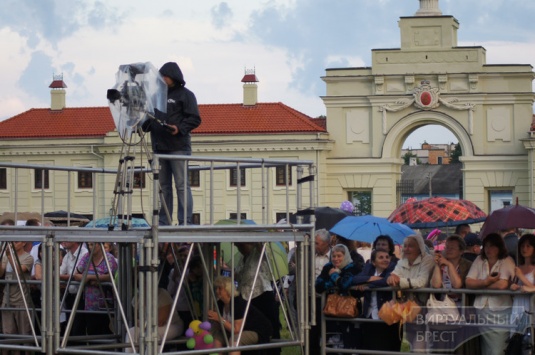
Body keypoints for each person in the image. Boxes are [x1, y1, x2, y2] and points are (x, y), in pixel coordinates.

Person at [141, 61, 201, 226]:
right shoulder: (155, 97)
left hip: (178, 148)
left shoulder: (186, 95)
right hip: (159, 148)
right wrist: (140, 123)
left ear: (173, 76)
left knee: (182, 186)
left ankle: (185, 221)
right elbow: (148, 121)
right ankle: (164, 220)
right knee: (164, 187)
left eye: (165, 76)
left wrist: (179, 128)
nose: (162, 79)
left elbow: (195, 118)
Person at [466, 232, 515, 355]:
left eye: (492, 246)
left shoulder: (507, 260)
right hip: (482, 311)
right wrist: (486, 282)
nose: (488, 249)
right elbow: (468, 282)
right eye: (486, 245)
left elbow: (502, 285)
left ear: (499, 247)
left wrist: (480, 284)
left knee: (497, 349)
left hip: (501, 312)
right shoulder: (479, 259)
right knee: (486, 349)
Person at [386, 234, 435, 352]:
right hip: (406, 308)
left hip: (422, 307)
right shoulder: (402, 261)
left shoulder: (427, 259)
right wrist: (391, 279)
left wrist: (399, 281)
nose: (406, 249)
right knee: (411, 344)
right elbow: (393, 277)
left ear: (420, 248)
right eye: (405, 246)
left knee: (420, 347)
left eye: (411, 246)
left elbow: (421, 282)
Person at [430, 235, 477, 353]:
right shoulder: (440, 263)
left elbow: (457, 285)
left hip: (462, 309)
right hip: (442, 309)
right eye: (447, 247)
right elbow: (436, 285)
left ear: (461, 251)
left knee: (459, 343)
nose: (448, 250)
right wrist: (437, 265)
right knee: (441, 343)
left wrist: (449, 265)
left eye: (452, 248)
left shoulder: (468, 265)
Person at [207, 276, 273, 354]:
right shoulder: (220, 304)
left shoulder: (237, 303)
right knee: (218, 337)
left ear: (228, 290)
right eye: (216, 288)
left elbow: (236, 330)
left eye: (220, 288)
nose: (217, 291)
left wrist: (219, 319)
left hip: (257, 331)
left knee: (235, 339)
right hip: (238, 331)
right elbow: (221, 326)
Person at [234, 242, 281, 348]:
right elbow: (239, 276)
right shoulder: (241, 259)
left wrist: (252, 240)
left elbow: (260, 245)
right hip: (246, 298)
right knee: (250, 328)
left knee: (268, 327)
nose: (240, 249)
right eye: (237, 246)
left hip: (262, 296)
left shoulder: (258, 252)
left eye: (241, 245)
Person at [315, 244, 361, 351]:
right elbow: (318, 286)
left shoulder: (353, 268)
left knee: (348, 343)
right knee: (330, 345)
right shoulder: (328, 267)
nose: (336, 259)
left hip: (348, 312)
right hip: (331, 311)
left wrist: (334, 276)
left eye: (339, 256)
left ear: (345, 256)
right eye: (334, 256)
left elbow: (345, 284)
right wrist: (334, 280)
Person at [352, 248, 399, 351]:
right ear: (373, 262)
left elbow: (385, 281)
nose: (385, 259)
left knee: (383, 347)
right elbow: (354, 279)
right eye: (381, 257)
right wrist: (369, 278)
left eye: (387, 257)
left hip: (385, 315)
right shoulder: (368, 269)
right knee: (368, 347)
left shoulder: (392, 268)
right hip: (369, 315)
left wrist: (367, 284)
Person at [74, 242, 118, 335]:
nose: (91, 247)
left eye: (93, 244)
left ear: (100, 245)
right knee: (92, 330)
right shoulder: (86, 257)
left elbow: (109, 275)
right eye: (89, 245)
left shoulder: (109, 258)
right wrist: (94, 278)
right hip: (89, 305)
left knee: (105, 331)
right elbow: (76, 274)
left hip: (106, 304)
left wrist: (89, 277)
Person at [0, 241, 34, 355]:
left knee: (24, 333)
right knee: (8, 333)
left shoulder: (28, 257)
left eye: (16, 242)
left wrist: (9, 256)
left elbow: (19, 270)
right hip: (7, 299)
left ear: (23, 243)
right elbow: (1, 273)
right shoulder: (6, 256)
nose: (13, 244)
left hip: (21, 299)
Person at [125, 287, 184, 353]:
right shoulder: (137, 297)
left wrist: (145, 323)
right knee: (132, 332)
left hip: (171, 324)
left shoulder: (162, 294)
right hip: (148, 326)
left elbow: (160, 320)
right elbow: (138, 321)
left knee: (153, 333)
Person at [59, 241, 88, 336]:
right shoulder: (68, 255)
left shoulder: (84, 253)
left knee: (78, 326)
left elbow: (76, 274)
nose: (63, 241)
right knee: (70, 325)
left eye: (66, 239)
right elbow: (61, 272)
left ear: (75, 240)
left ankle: (77, 348)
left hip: (82, 296)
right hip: (70, 295)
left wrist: (59, 276)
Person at [509, 234, 535, 334]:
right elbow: (518, 285)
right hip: (518, 305)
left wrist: (521, 276)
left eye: (528, 246)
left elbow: (531, 287)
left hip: (531, 306)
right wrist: (513, 287)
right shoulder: (518, 267)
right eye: (522, 246)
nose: (524, 249)